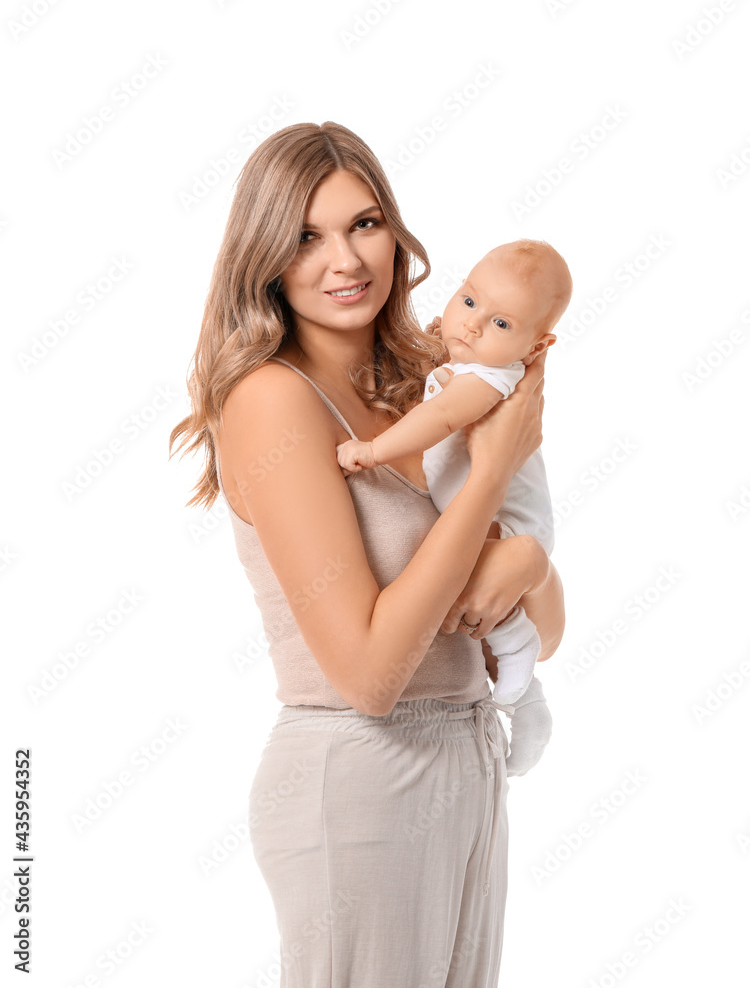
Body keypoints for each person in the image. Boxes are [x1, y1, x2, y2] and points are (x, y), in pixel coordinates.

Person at [168, 121, 565, 987]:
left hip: (468, 757)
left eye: (365, 223)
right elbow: (370, 675)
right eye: (307, 236)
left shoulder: (427, 384)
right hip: (360, 777)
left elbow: (544, 628)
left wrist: (527, 564)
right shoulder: (274, 401)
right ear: (264, 255)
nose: (344, 260)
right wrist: (493, 470)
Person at [336, 238, 572, 706]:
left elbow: (439, 419)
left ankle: (516, 645)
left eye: (500, 323)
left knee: (465, 581)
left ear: (537, 346)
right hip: (495, 522)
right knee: (462, 594)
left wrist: (374, 450)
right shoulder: (469, 365)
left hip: (509, 527)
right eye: (468, 300)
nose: (472, 325)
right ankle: (527, 710)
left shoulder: (493, 378)